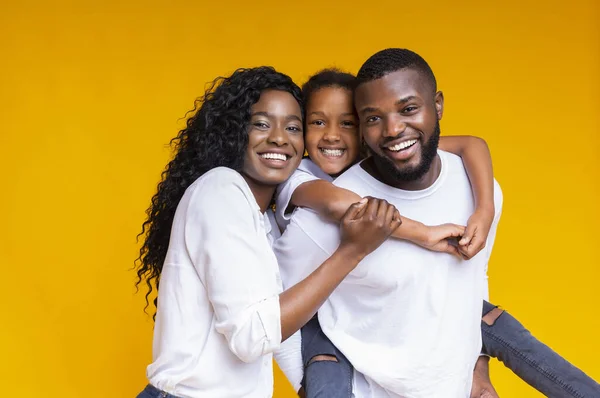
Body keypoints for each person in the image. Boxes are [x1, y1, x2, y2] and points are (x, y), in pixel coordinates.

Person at [273, 49, 600, 397]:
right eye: (373, 118)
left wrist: (477, 368)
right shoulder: (316, 205)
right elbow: (272, 314)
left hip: (446, 367)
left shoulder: (470, 186)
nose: (394, 128)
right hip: (351, 358)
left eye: (408, 109)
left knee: (501, 326)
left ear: (438, 105)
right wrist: (311, 383)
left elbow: (470, 274)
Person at [133, 66, 401, 398]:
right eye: (261, 124)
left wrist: (307, 386)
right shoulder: (222, 190)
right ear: (233, 132)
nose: (278, 138)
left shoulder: (264, 221)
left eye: (292, 127)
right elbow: (253, 336)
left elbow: (272, 321)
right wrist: (351, 251)